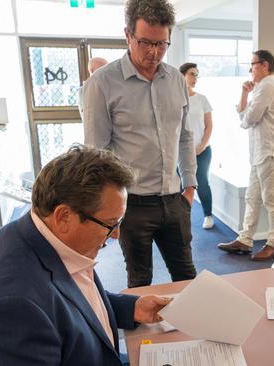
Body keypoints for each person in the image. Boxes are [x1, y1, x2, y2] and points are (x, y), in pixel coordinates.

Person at [0, 145, 171, 365]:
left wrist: (132, 308)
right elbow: (44, 305)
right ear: (64, 216)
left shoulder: (27, 235)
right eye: (110, 224)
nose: (116, 235)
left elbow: (69, 298)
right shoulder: (11, 311)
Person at [83, 0, 197, 287]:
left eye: (162, 44)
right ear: (128, 35)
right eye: (146, 42)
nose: (154, 52)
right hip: (132, 205)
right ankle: (144, 334)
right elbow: (96, 154)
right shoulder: (102, 83)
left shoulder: (175, 80)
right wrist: (106, 211)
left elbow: (184, 136)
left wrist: (190, 188)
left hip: (174, 201)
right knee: (140, 281)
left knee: (187, 279)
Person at [217, 50, 274, 261]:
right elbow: (243, 115)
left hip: (270, 151)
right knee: (252, 197)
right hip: (260, 152)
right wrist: (244, 93)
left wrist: (246, 114)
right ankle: (245, 239)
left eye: (253, 65)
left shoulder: (268, 86)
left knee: (271, 200)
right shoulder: (259, 88)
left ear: (264, 65)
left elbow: (248, 119)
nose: (250, 69)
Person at [179, 62, 215, 230]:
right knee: (179, 185)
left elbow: (209, 126)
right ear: (183, 76)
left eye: (196, 75)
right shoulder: (174, 99)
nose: (195, 78)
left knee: (201, 181)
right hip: (180, 152)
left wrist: (200, 147)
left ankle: (208, 215)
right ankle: (179, 218)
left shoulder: (202, 99)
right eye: (192, 74)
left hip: (202, 151)